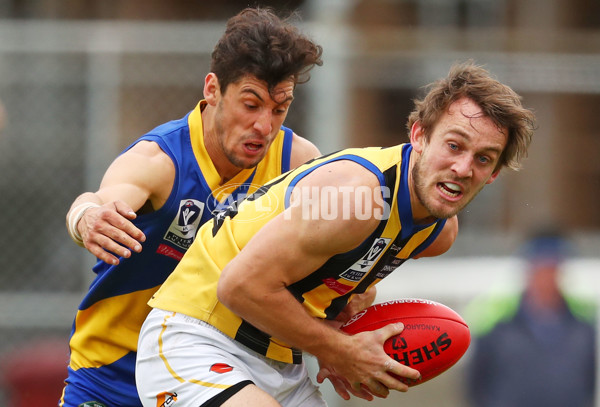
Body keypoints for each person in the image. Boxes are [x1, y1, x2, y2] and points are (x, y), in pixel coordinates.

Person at [135, 60, 536, 407]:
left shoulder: (438, 232)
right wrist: (340, 349)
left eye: (483, 159)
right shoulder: (359, 198)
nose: (463, 168)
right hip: (198, 334)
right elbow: (238, 286)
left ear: (495, 173)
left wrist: (346, 320)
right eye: (454, 145)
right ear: (418, 136)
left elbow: (342, 276)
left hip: (280, 358)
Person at [60, 7, 327, 407]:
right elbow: (98, 202)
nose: (264, 126)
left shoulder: (298, 165)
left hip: (213, 374)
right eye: (251, 105)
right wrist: (88, 218)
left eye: (279, 108)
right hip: (113, 378)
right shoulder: (160, 160)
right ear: (212, 89)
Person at [466, 230, 596, 407]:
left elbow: (589, 382)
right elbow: (476, 384)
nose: (546, 278)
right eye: (541, 269)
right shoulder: (496, 322)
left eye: (552, 270)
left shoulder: (583, 325)